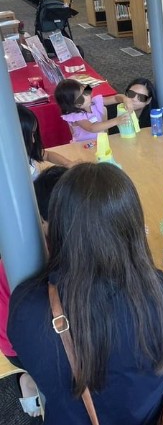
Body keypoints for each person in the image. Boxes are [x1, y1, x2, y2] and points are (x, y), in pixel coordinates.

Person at [8, 163, 163, 425]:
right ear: (133, 225)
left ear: (54, 224)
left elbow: (36, 368)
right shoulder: (155, 288)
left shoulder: (25, 305)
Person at [0, 165, 68, 418]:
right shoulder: (47, 256)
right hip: (19, 346)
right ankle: (30, 384)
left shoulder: (38, 239)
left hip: (23, 333)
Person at [54, 79, 134, 142]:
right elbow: (92, 128)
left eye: (85, 91)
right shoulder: (76, 116)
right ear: (76, 104)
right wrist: (116, 121)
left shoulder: (95, 102)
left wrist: (124, 98)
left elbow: (115, 98)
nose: (88, 94)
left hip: (99, 142)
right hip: (83, 146)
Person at [17, 104, 75, 179]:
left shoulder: (27, 151)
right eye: (28, 136)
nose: (33, 140)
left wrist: (67, 163)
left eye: (33, 134)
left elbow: (47, 155)